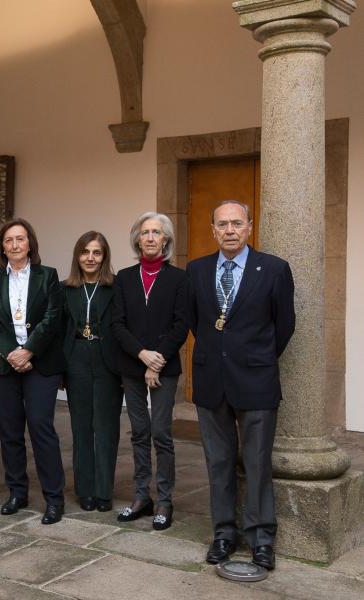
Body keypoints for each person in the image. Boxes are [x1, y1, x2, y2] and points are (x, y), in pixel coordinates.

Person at [188, 200, 295, 570]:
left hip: (256, 381)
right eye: (222, 224)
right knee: (218, 463)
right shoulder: (197, 270)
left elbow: (284, 326)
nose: (230, 230)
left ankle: (262, 539)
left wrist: (252, 355)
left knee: (257, 463)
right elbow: (195, 321)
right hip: (210, 382)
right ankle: (223, 534)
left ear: (250, 226)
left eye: (237, 223)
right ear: (212, 230)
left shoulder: (275, 269)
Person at [0, 218, 66, 525]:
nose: (15, 244)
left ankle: (54, 498)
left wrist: (29, 350)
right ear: (2, 247)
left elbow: (52, 318)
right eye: (8, 240)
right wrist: (12, 353)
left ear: (30, 243)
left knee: (41, 428)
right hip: (4, 366)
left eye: (20, 239)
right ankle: (17, 492)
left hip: (40, 363)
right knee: (10, 432)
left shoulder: (48, 276)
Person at [111, 212, 189, 531]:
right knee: (139, 433)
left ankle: (165, 500)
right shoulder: (125, 278)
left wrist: (157, 360)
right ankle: (141, 497)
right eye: (145, 232)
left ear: (166, 240)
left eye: (157, 232)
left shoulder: (179, 279)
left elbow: (181, 324)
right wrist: (143, 356)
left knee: (161, 433)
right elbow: (117, 323)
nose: (151, 238)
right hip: (132, 364)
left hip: (165, 367)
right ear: (137, 239)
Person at [61, 231, 121, 514]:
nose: (90, 258)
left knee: (106, 428)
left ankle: (103, 491)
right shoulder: (65, 289)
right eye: (85, 251)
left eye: (97, 252)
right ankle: (85, 490)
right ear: (77, 255)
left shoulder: (116, 287)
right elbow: (59, 331)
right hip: (76, 360)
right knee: (81, 427)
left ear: (104, 257)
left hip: (107, 360)